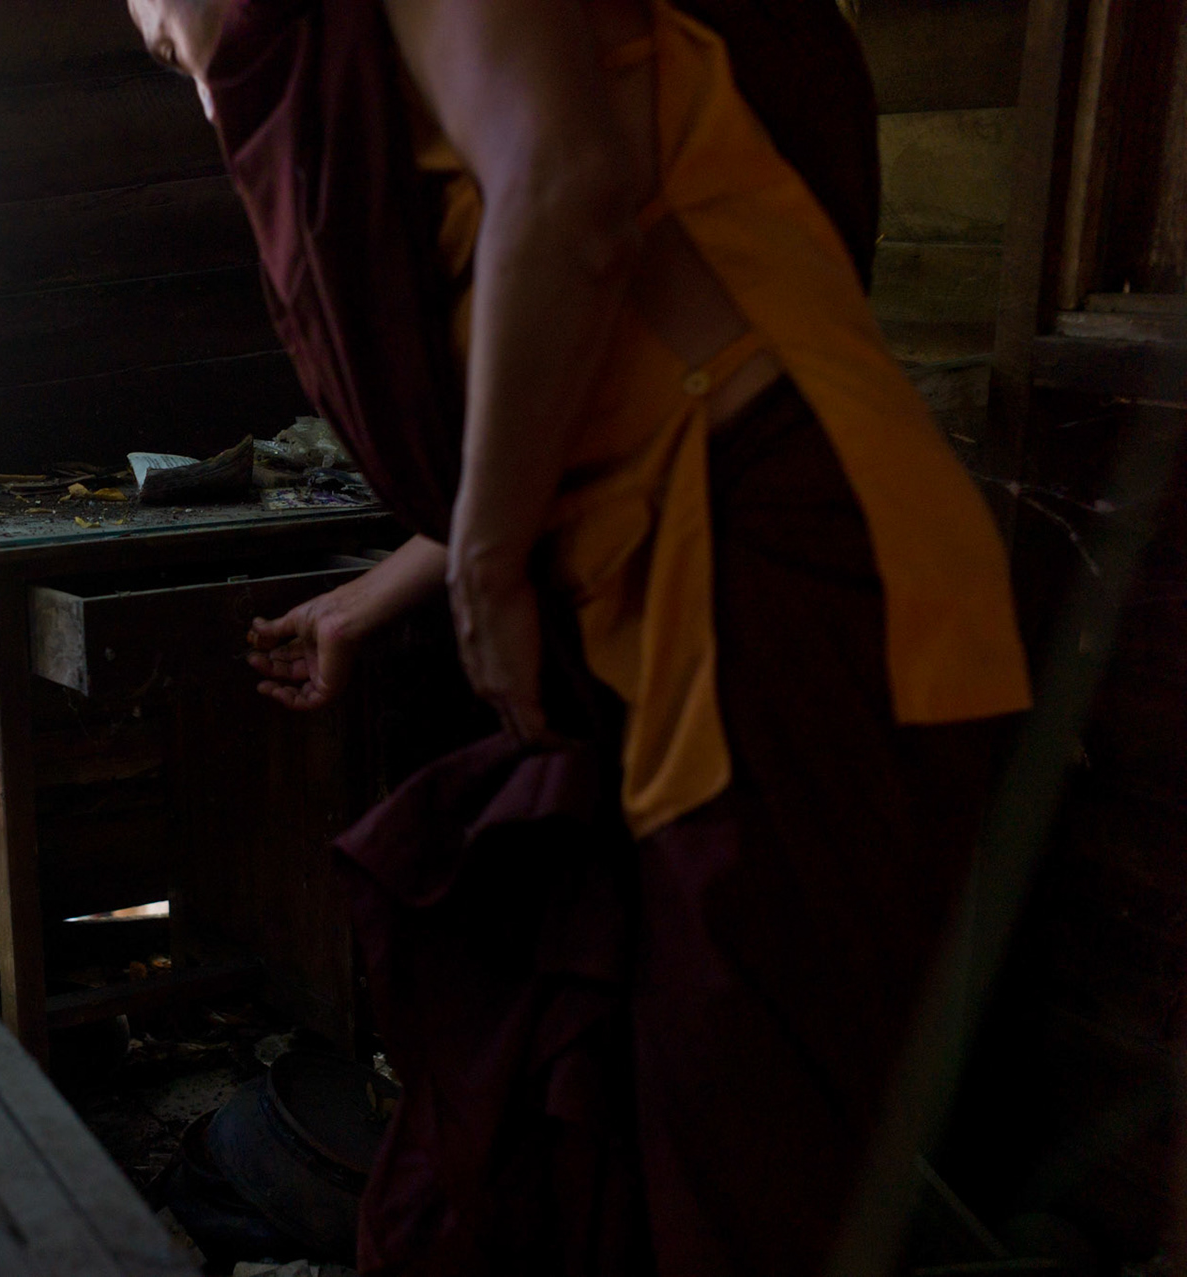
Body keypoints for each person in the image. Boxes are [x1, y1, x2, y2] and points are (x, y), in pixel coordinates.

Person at [126, 0, 1034, 1271]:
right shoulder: (304, 56)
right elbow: (561, 365)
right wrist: (387, 591)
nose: (205, 78)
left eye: (189, 29)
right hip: (655, 605)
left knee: (737, 1170)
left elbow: (569, 189)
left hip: (787, 569)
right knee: (582, 1146)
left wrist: (490, 562)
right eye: (168, 54)